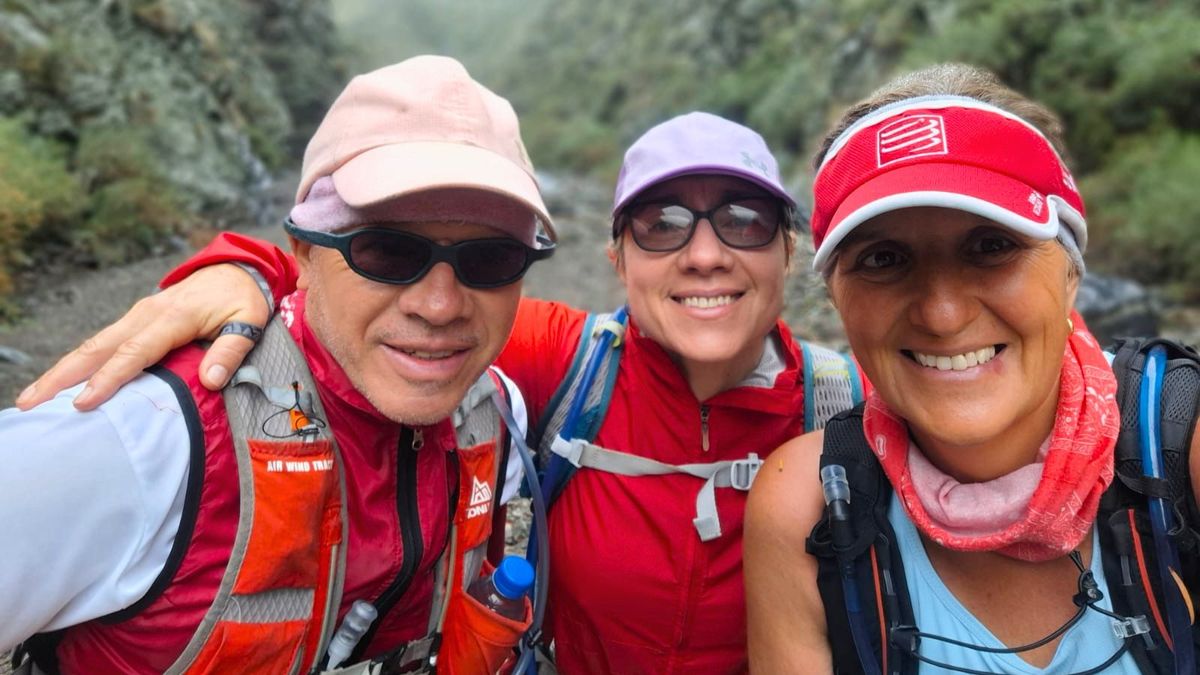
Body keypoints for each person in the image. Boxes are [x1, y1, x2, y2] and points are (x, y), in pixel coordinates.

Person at [17, 112, 867, 673]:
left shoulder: (853, 405)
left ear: (789, 252)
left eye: (746, 220)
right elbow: (363, 311)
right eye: (662, 224)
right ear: (617, 258)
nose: (707, 254)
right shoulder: (566, 359)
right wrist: (242, 270)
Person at [1, 55, 554, 674]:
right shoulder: (140, 439)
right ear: (304, 254)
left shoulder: (493, 413)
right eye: (386, 252)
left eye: (491, 259)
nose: (440, 305)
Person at [745, 63, 1200, 674]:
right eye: (883, 259)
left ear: (1071, 272)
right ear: (836, 300)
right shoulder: (808, 507)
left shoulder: (1181, 447)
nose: (943, 314)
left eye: (991, 247)